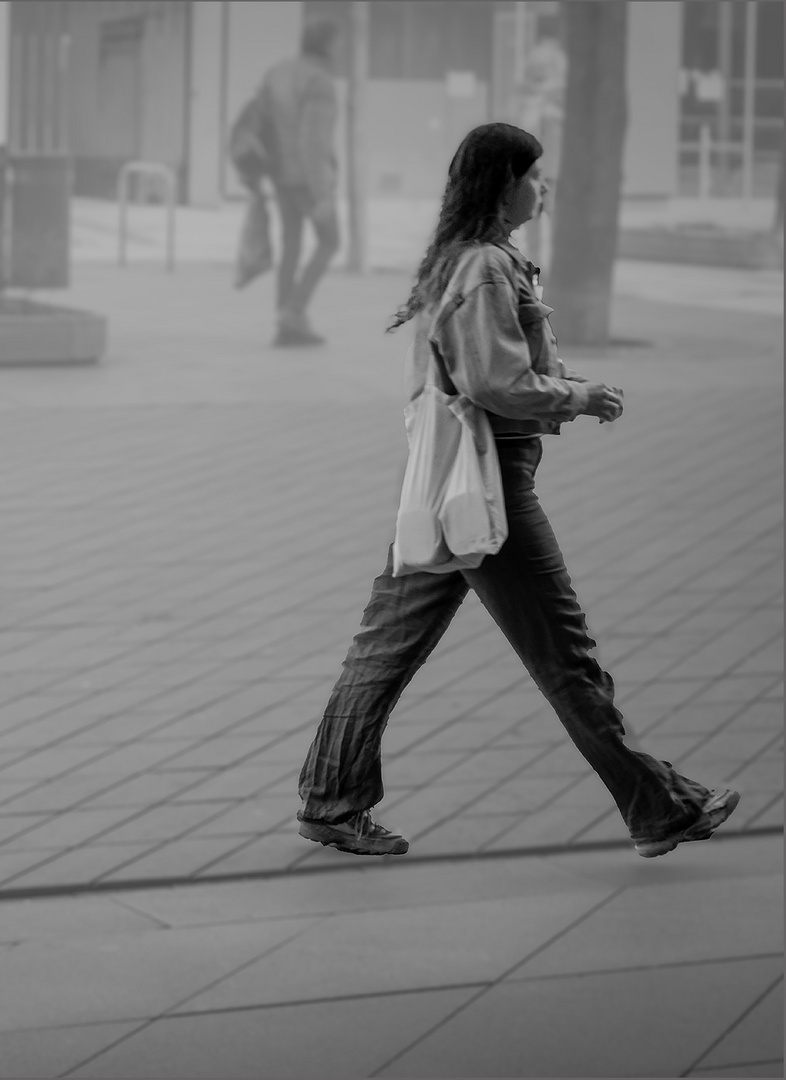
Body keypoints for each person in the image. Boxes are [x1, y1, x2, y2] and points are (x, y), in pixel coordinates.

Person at [294, 122, 741, 860]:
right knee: (565, 654)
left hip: (451, 482)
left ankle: (329, 798)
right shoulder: (483, 268)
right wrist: (577, 395)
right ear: (504, 184)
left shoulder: (473, 260)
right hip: (487, 489)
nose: (544, 187)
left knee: (386, 645)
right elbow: (492, 381)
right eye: (535, 175)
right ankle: (660, 807)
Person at [248, 18, 342, 347]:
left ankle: (286, 323)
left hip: (279, 174)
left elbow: (259, 123)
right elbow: (313, 142)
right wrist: (323, 195)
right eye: (339, 43)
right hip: (306, 178)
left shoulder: (278, 72)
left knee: (291, 244)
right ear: (328, 45)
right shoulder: (319, 81)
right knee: (330, 240)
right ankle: (294, 310)